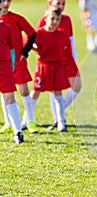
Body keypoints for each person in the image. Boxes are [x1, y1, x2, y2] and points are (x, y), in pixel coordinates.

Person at [36, 0, 81, 131]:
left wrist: (74, 58)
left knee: (77, 86)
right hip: (53, 61)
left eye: (63, 4)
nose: (61, 6)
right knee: (55, 89)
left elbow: (70, 40)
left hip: (67, 59)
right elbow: (37, 39)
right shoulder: (43, 19)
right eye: (58, 3)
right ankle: (58, 119)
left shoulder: (66, 19)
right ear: (50, 3)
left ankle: (58, 112)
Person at [29, 5, 71, 132]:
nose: (54, 22)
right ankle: (26, 120)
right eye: (52, 18)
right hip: (43, 67)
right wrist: (36, 50)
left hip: (57, 67)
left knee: (57, 93)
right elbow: (28, 44)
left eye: (57, 19)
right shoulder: (39, 33)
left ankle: (61, 122)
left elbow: (67, 50)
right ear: (45, 17)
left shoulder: (62, 35)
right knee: (35, 92)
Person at [0, 0, 38, 134]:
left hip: (17, 62)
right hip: (3, 64)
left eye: (8, 1)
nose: (5, 4)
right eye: (3, 1)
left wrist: (25, 52)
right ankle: (8, 122)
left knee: (24, 91)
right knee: (4, 93)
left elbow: (32, 34)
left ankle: (30, 120)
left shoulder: (16, 18)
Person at [0, 0, 24, 144]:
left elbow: (11, 50)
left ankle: (18, 132)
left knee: (9, 98)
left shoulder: (7, 28)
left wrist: (12, 66)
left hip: (4, 66)